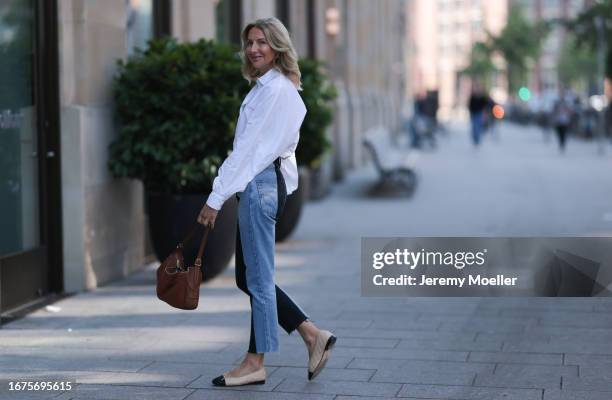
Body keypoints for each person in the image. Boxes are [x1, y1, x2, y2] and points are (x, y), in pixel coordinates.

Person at [197, 17, 337, 387]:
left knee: (257, 279)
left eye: (262, 42)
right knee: (249, 277)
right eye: (249, 43)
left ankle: (255, 362)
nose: (254, 48)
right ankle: (311, 335)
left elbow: (248, 152)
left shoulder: (275, 90)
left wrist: (215, 198)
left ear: (277, 47)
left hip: (260, 185)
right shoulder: (267, 88)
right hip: (263, 184)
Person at [552, 87, 573, 152]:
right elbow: (553, 110)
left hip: (565, 120)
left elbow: (569, 110)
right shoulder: (556, 101)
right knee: (559, 132)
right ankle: (561, 143)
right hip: (558, 120)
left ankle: (563, 143)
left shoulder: (566, 101)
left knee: (564, 132)